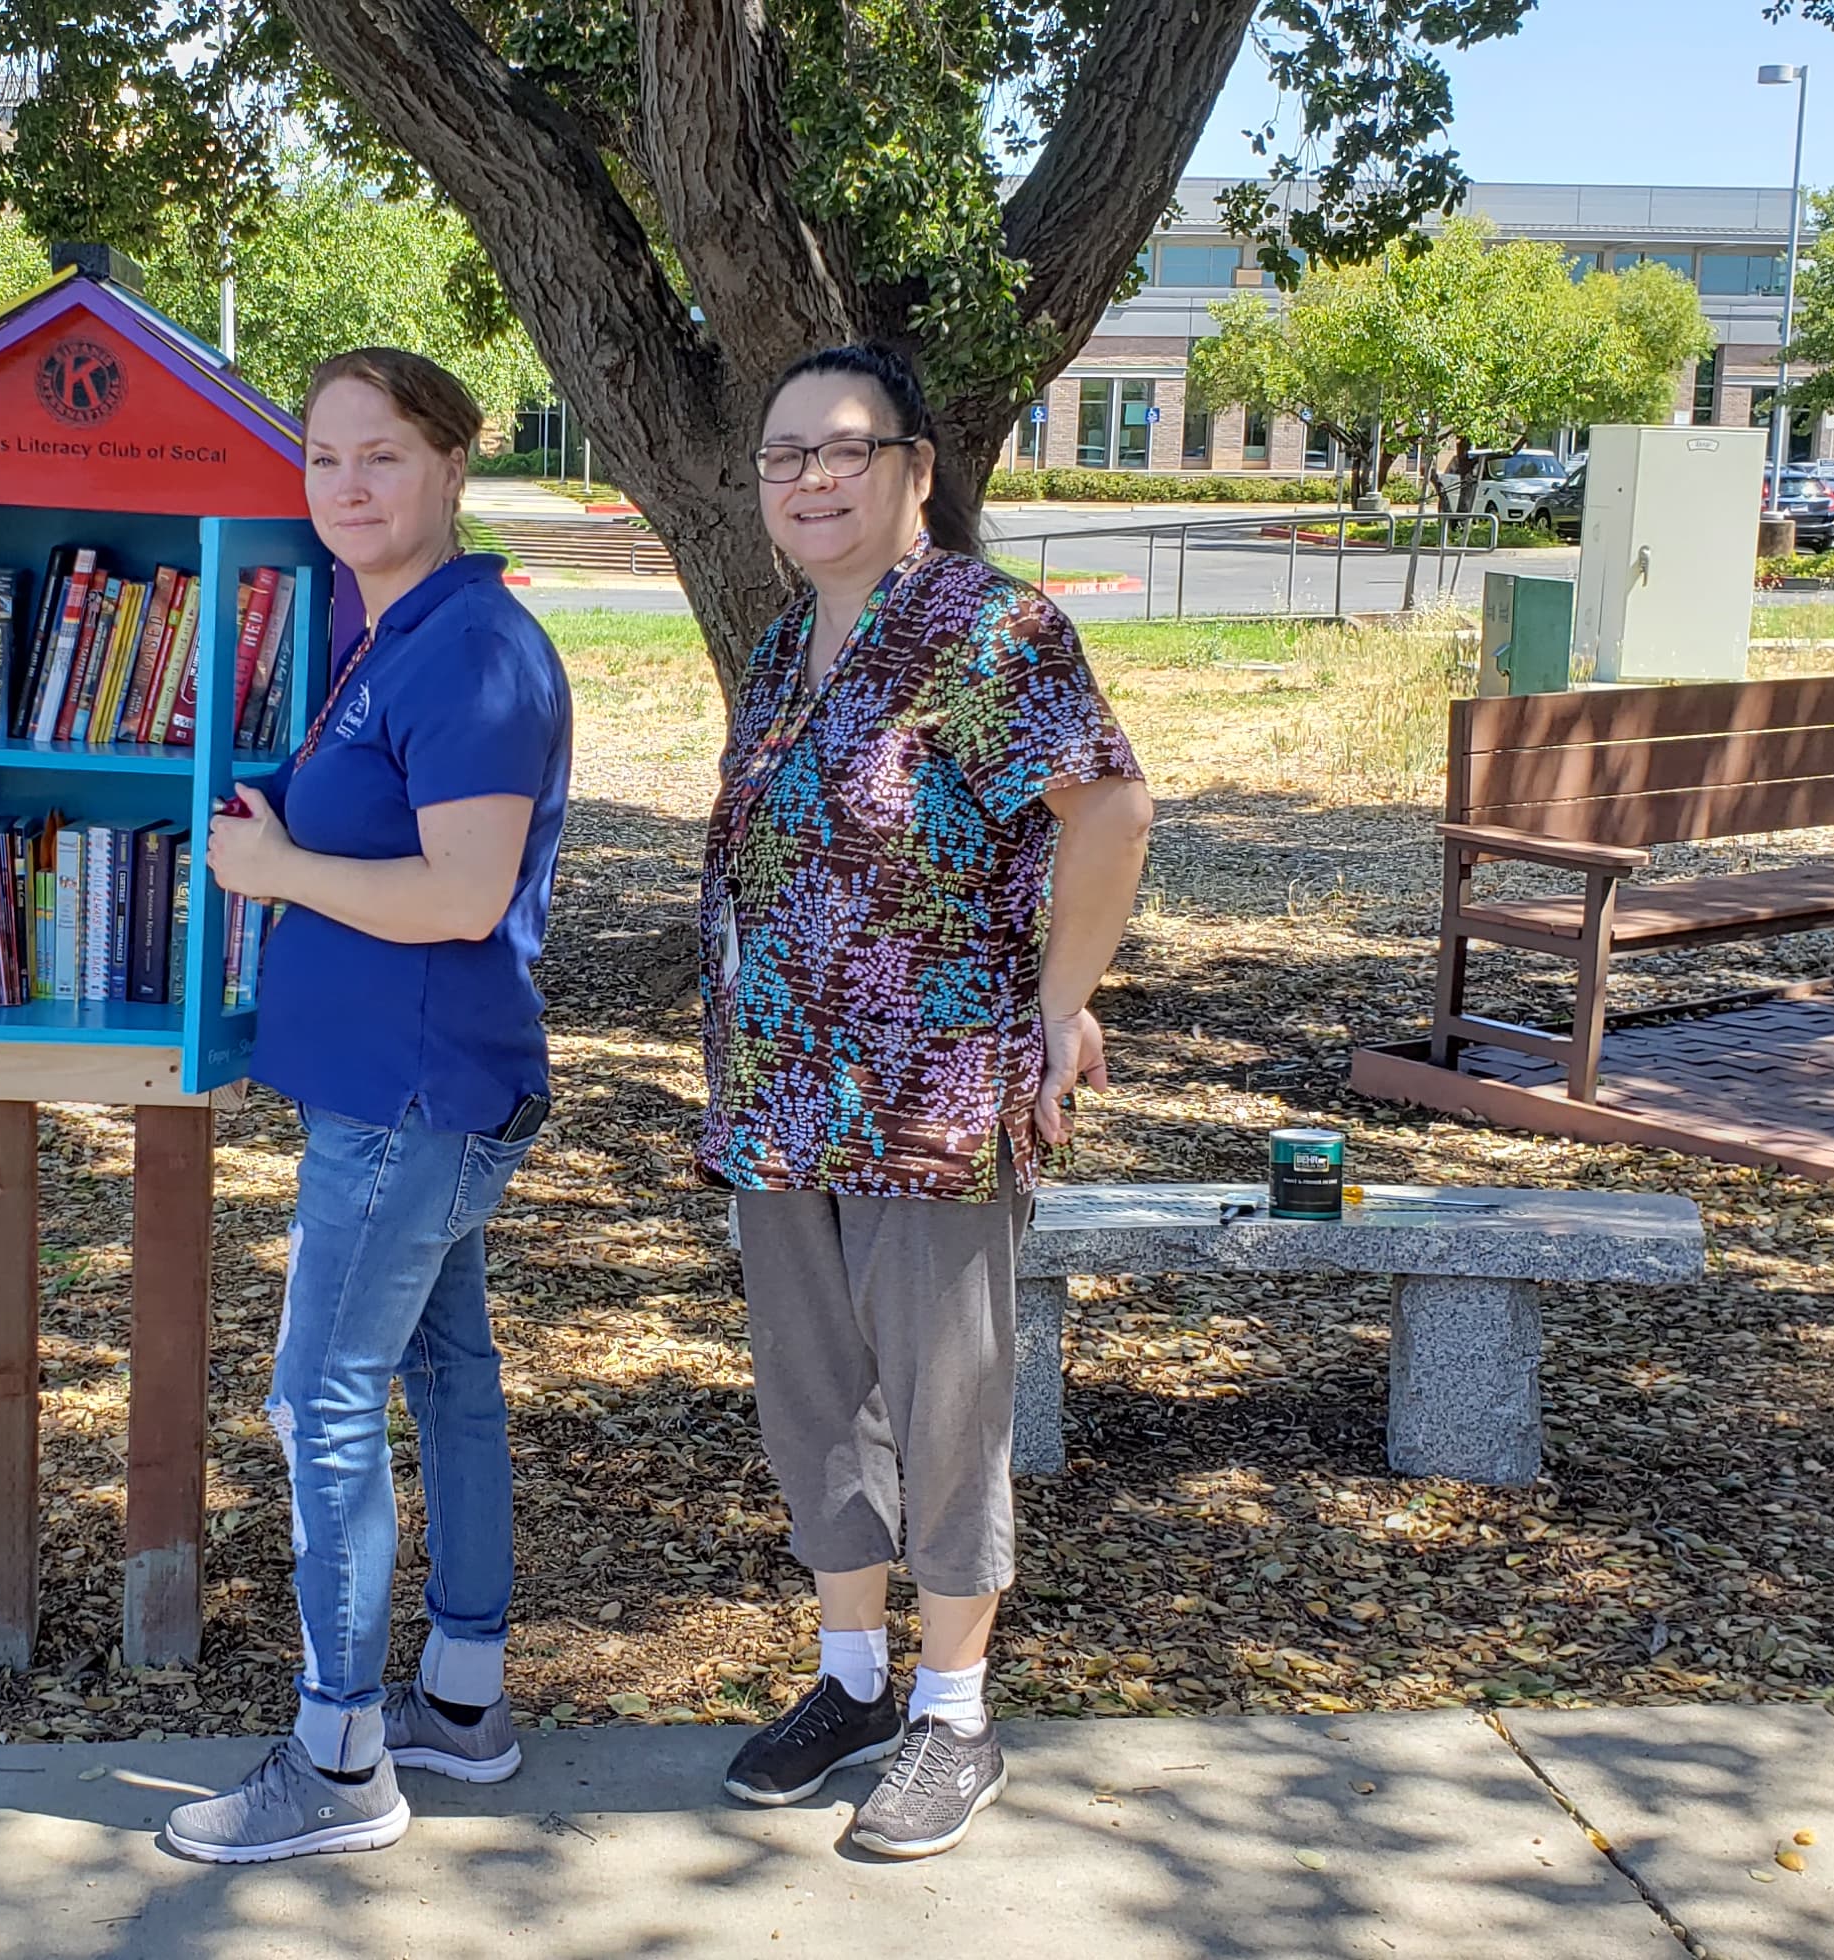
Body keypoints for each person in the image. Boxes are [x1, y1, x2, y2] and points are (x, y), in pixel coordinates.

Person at [701, 344, 1153, 1859]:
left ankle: (955, 1710)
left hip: (931, 1096)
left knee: (947, 1398)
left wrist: (1061, 1000)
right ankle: (849, 1681)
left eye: (844, 451)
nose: (811, 480)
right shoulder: (784, 648)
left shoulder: (987, 630)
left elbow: (1111, 803)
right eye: (784, 457)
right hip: (779, 1092)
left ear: (913, 468)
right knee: (814, 1394)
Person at [166, 348, 575, 1864]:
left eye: (382, 454)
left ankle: (338, 1763)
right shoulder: (390, 634)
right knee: (445, 1381)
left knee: (319, 1401)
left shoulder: (474, 648)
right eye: (324, 455)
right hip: (402, 1089)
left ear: (454, 464)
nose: (345, 483)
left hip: (413, 1097)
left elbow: (465, 894)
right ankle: (462, 1703)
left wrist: (274, 874)